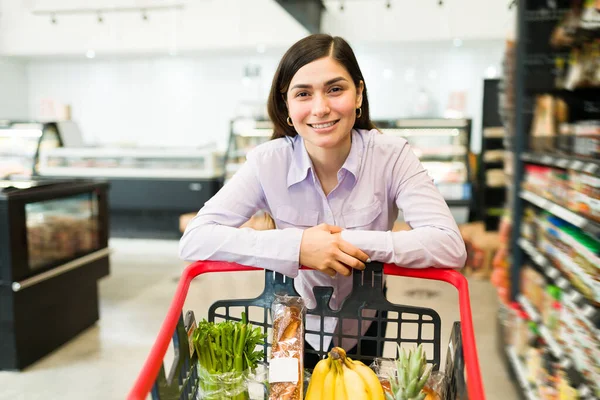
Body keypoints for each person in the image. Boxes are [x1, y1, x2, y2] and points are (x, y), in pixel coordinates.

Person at [179, 34, 467, 368]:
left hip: (365, 321)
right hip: (290, 321)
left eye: (335, 89)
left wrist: (341, 243)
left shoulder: (392, 156)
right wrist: (298, 246)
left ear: (358, 94)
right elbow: (195, 238)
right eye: (303, 93)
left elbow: (449, 245)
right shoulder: (267, 162)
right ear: (286, 104)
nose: (321, 108)